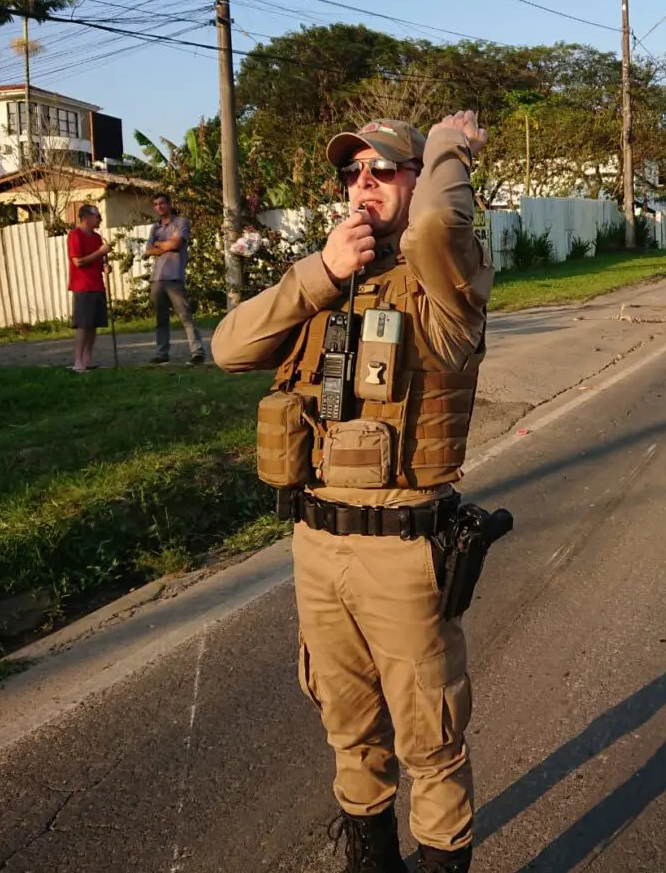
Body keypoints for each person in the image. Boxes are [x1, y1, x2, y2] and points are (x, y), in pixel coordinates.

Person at [212, 112, 494, 873]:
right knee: (349, 731)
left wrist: (446, 142)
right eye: (352, 173)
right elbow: (228, 347)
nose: (362, 184)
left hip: (405, 551)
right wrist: (321, 274)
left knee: (429, 741)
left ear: (413, 180)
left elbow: (437, 219)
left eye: (384, 170)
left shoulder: (445, 275)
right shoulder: (327, 276)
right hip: (317, 546)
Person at [145, 193, 205, 365]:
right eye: (156, 204)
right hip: (157, 278)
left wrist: (160, 245)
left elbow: (177, 245)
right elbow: (149, 250)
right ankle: (162, 353)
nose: (159, 207)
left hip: (174, 276)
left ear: (169, 204)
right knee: (161, 319)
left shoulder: (181, 222)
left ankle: (197, 352)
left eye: (162, 203)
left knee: (185, 315)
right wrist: (167, 245)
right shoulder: (154, 228)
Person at [67, 204, 113, 373]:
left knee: (94, 324)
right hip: (82, 286)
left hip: (97, 284)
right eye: (97, 216)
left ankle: (88, 358)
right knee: (83, 324)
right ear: (86, 217)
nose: (100, 219)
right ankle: (78, 361)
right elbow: (78, 262)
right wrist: (100, 252)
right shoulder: (75, 235)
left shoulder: (97, 238)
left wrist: (105, 267)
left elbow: (99, 262)